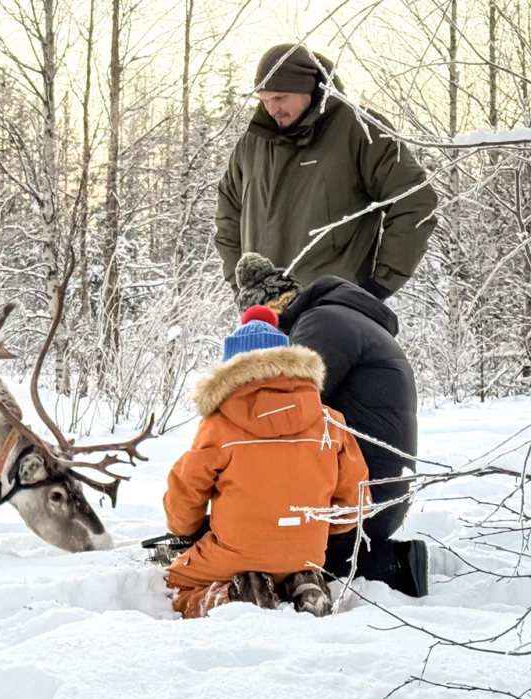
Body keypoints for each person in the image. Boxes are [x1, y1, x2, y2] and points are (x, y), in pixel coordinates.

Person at [234, 251, 428, 597]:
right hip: (378, 492)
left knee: (270, 548)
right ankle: (379, 560)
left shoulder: (322, 324)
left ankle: (388, 564)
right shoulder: (341, 318)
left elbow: (284, 411)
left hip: (364, 500)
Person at [164, 306, 370, 619]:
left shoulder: (218, 424)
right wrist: (328, 529)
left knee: (174, 583)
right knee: (292, 561)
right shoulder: (331, 421)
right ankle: (302, 581)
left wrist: (188, 529)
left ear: (229, 371)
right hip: (308, 551)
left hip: (235, 552)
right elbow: (355, 498)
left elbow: (185, 488)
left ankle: (236, 595)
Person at [215, 43, 437, 302]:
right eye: (264, 100)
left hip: (332, 310)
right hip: (263, 317)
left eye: (280, 98)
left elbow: (414, 201)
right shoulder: (252, 144)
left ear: (309, 88)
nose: (272, 109)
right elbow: (228, 217)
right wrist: (241, 285)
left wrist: (380, 286)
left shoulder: (359, 131)